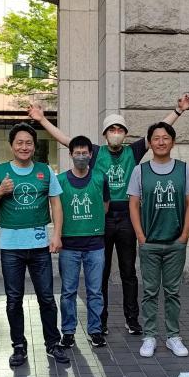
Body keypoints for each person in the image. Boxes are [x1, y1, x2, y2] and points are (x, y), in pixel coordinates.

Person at [29, 94, 189, 336]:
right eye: (112, 129)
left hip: (127, 217)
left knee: (129, 271)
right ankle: (101, 320)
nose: (116, 132)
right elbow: (68, 141)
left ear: (125, 133)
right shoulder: (94, 153)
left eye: (120, 129)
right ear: (105, 133)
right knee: (101, 273)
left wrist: (178, 111)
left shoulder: (134, 151)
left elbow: (158, 134)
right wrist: (42, 120)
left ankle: (132, 318)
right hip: (102, 218)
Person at [0, 123, 69, 367]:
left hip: (40, 245)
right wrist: (0, 190)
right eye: (19, 142)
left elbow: (56, 205)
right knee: (13, 300)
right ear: (12, 146)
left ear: (34, 145)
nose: (24, 147)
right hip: (11, 247)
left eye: (28, 142)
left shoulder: (45, 171)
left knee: (47, 299)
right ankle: (18, 346)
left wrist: (57, 235)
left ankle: (53, 343)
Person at [127, 122, 189, 358]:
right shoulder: (140, 170)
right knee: (150, 291)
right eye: (156, 138)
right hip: (150, 242)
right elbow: (133, 204)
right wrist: (140, 236)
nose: (161, 142)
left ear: (173, 142)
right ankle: (149, 336)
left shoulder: (184, 169)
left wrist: (185, 235)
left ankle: (173, 336)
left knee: (173, 291)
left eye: (166, 138)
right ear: (150, 142)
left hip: (175, 242)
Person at [57, 136, 110, 349]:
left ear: (90, 155)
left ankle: (95, 330)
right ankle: (68, 332)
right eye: (76, 153)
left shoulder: (100, 177)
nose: (81, 156)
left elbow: (105, 205)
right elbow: (56, 209)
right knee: (68, 291)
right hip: (69, 245)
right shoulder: (60, 180)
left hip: (95, 244)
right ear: (70, 155)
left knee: (95, 291)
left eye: (84, 153)